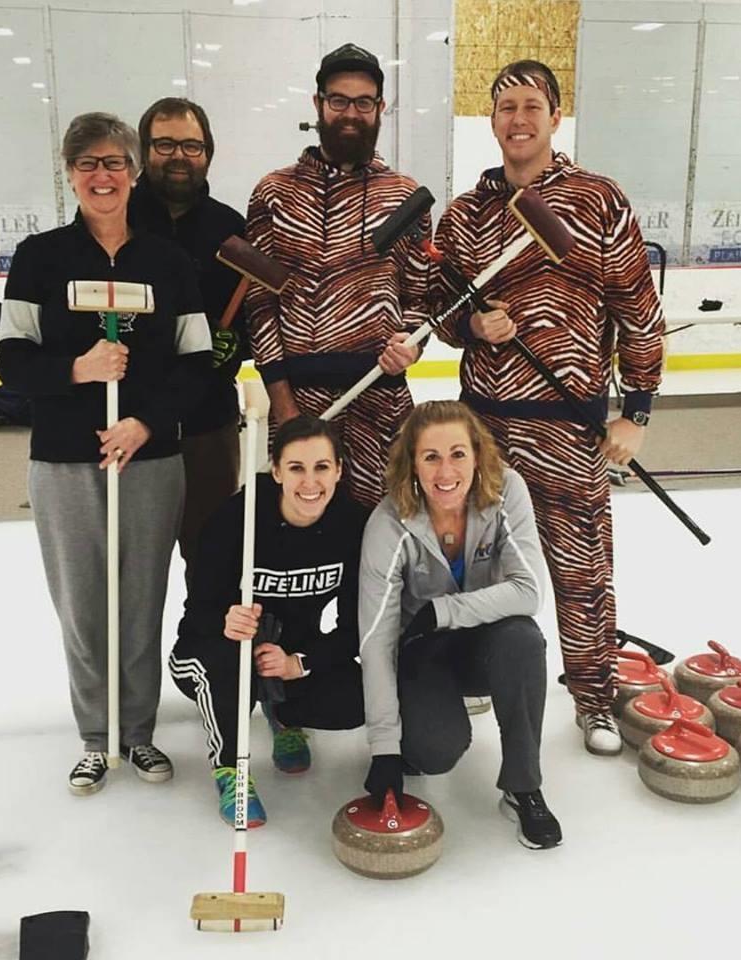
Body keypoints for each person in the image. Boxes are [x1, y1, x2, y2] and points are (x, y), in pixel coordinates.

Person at [432, 60, 665, 756]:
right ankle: (475, 672)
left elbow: (639, 311)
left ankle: (594, 697)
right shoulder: (465, 214)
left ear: (555, 117)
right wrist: (471, 327)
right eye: (505, 107)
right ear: (492, 120)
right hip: (484, 428)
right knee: (475, 559)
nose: (518, 119)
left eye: (532, 105)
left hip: (569, 426)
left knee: (581, 568)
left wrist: (637, 411)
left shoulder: (597, 201)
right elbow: (438, 313)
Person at [0, 112, 212, 795]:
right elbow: (10, 362)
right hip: (65, 460)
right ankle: (97, 736)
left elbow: (198, 363)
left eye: (115, 162)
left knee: (141, 599)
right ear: (69, 174)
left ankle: (140, 732)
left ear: (133, 172)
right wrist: (78, 372)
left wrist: (144, 422)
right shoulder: (40, 258)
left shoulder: (168, 264)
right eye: (88, 163)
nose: (103, 176)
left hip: (150, 459)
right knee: (83, 605)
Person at [359, 400, 561, 850]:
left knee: (525, 641)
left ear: (477, 456)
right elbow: (375, 641)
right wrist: (384, 750)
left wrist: (444, 610)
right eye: (430, 456)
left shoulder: (506, 490)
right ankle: (420, 729)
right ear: (412, 463)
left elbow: (529, 591)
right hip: (422, 648)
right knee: (434, 753)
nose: (445, 471)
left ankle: (523, 786)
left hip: (485, 639)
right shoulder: (389, 523)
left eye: (457, 454)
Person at [244, 42, 432, 509]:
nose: (351, 113)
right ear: (318, 104)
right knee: (304, 523)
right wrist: (283, 405)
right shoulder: (275, 192)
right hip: (299, 401)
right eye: (339, 100)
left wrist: (410, 343)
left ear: (380, 108)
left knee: (381, 530)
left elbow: (419, 295)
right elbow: (260, 304)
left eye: (364, 102)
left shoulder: (405, 196)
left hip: (380, 400)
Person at [171, 415, 367, 826]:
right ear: (276, 470)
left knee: (356, 699)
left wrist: (300, 663)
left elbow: (356, 629)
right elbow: (198, 609)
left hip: (287, 655)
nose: (309, 483)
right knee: (229, 667)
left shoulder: (352, 526)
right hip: (215, 651)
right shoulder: (236, 519)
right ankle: (230, 769)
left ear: (339, 470)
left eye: (321, 467)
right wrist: (226, 620)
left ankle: (284, 714)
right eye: (296, 468)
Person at [128, 97, 247, 587]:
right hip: (131, 424)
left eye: (192, 145)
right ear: (144, 151)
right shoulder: (118, 222)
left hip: (208, 425)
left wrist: (238, 344)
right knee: (132, 573)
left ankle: (204, 663)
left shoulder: (230, 227)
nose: (180, 155)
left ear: (208, 153)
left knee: (214, 564)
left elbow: (256, 315)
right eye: (165, 144)